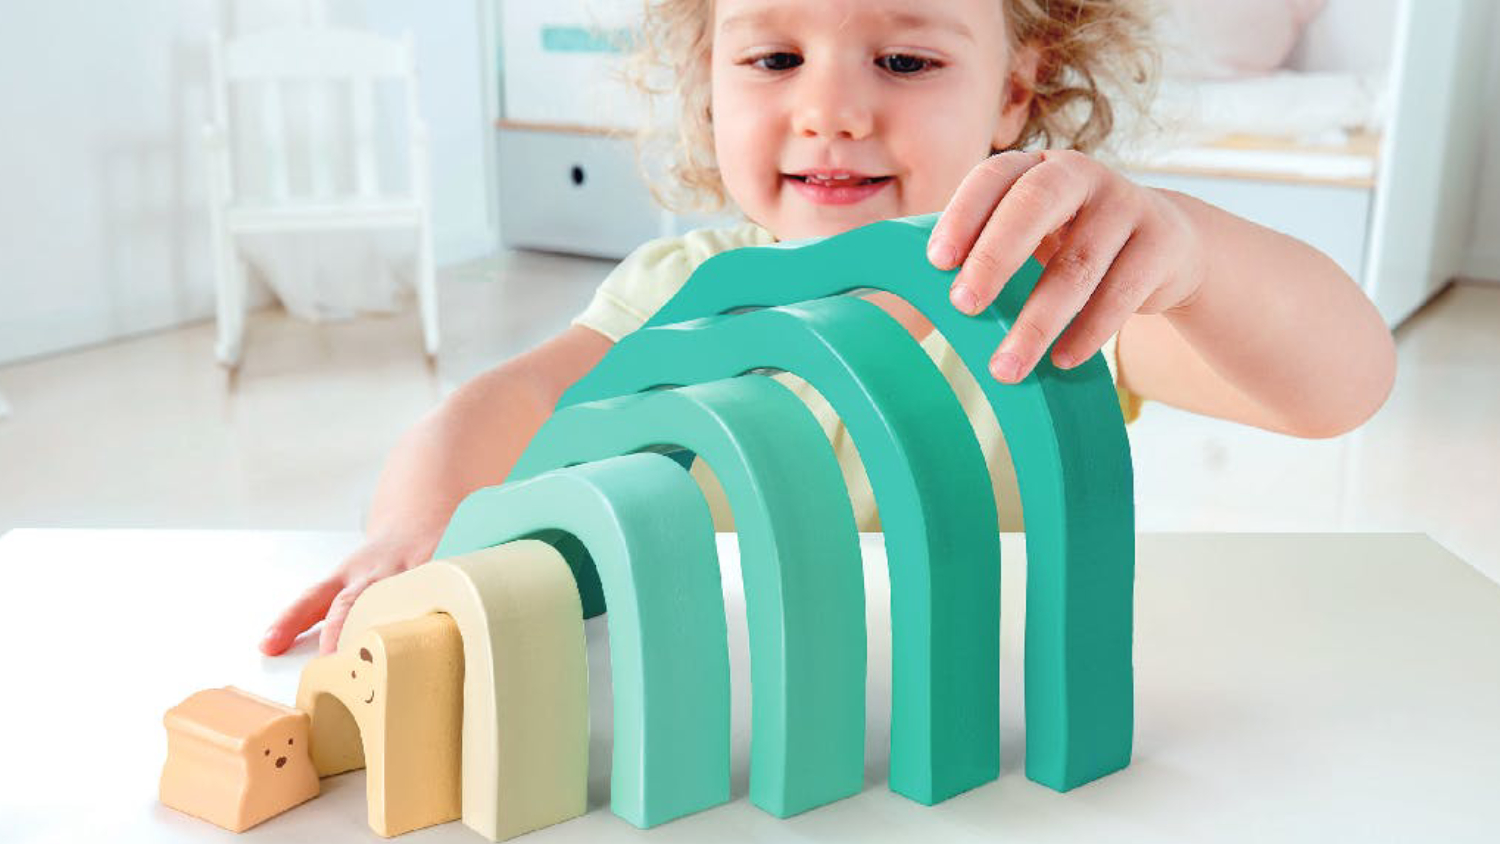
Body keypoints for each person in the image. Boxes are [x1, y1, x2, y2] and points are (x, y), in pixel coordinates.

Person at [260, 0, 1396, 657]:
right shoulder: (680, 288)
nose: (833, 111)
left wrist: (1188, 253)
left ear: (1016, 88)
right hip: (729, 727)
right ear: (707, 79)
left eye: (905, 60)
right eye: (773, 59)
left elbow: (1341, 387)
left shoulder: (1053, 295)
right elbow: (503, 403)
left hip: (984, 729)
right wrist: (415, 529)